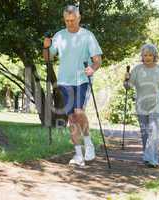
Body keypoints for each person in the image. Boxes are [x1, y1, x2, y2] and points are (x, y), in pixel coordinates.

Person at [43, 5, 103, 167]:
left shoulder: (88, 36)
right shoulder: (59, 36)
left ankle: (89, 144)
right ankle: (78, 155)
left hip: (82, 80)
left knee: (78, 112)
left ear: (79, 18)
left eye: (72, 20)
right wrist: (46, 46)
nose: (69, 23)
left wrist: (92, 68)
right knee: (71, 118)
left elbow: (98, 60)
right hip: (64, 81)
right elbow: (48, 58)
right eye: (67, 20)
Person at [124, 44, 159, 168]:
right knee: (145, 133)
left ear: (154, 56)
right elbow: (128, 86)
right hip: (142, 105)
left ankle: (152, 159)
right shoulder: (137, 69)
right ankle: (147, 157)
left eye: (150, 55)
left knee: (153, 132)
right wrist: (125, 80)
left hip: (157, 105)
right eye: (145, 55)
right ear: (142, 56)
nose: (147, 57)